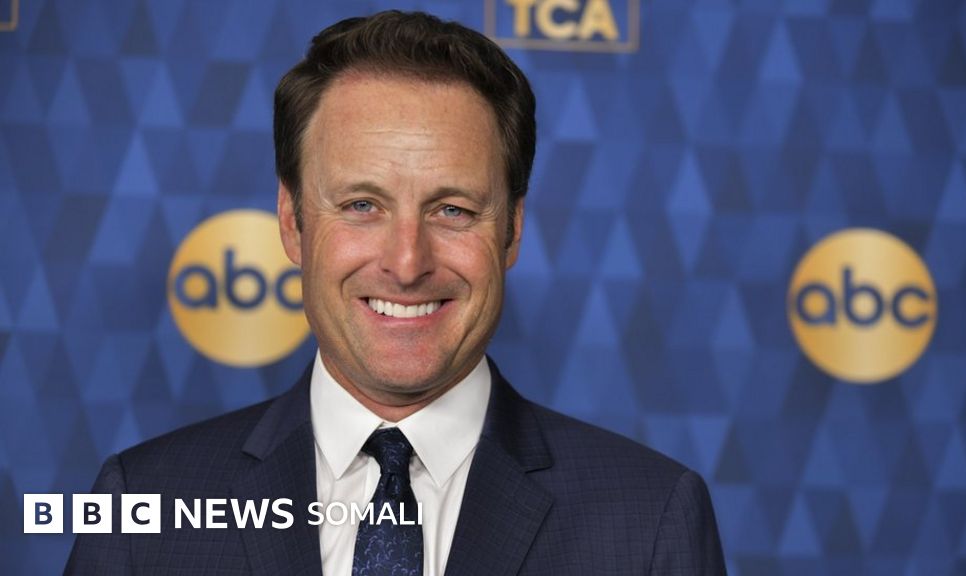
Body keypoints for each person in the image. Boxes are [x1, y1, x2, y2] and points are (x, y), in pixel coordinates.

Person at [65, 11, 725, 575]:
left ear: (513, 230)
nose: (408, 263)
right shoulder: (140, 510)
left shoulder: (650, 520)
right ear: (292, 222)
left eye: (453, 210)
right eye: (362, 205)